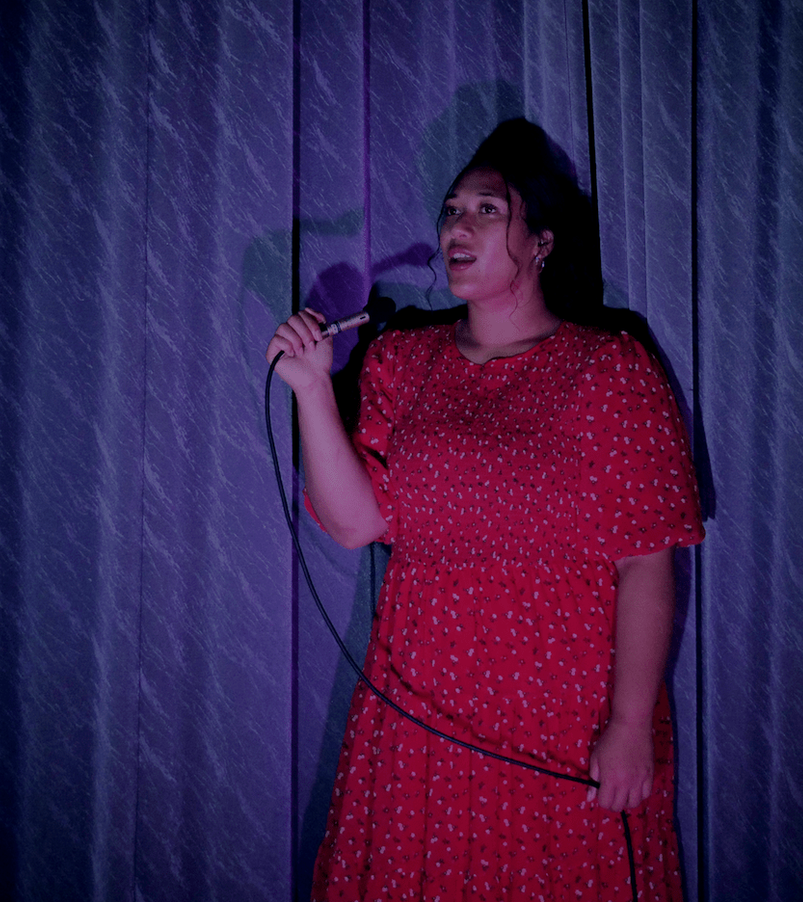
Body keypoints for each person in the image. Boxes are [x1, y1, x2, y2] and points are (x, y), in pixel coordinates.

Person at [267, 118, 704, 901]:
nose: (456, 226)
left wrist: (631, 722)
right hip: (420, 714)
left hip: (562, 717)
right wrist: (309, 390)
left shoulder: (611, 370)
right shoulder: (404, 360)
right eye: (450, 209)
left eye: (486, 209)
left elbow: (647, 558)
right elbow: (359, 521)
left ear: (541, 240)